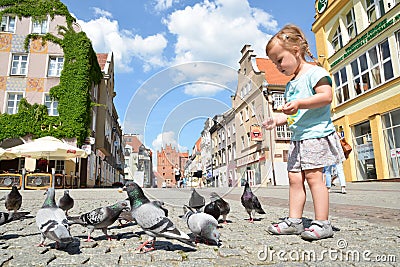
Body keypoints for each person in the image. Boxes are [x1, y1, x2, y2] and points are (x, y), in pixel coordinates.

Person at [262, 24, 345, 240]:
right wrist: (278, 119)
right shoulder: (290, 85)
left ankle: (322, 223)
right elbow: (292, 115)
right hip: (298, 139)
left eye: (279, 60)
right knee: (294, 179)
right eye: (274, 62)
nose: (278, 66)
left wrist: (299, 103)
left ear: (296, 51)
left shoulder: (316, 72)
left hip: (316, 134)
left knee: (314, 178)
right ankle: (295, 221)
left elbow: (326, 96)